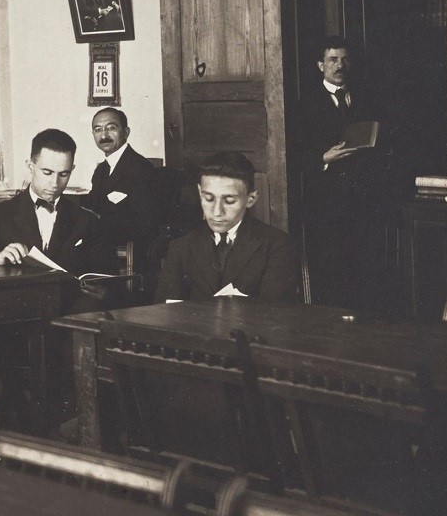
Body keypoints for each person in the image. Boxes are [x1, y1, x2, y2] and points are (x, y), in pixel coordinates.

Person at [0, 128, 105, 275]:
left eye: (63, 174)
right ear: (30, 166)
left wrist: (101, 291)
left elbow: (106, 273)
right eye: (47, 172)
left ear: (72, 170)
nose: (55, 183)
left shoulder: (86, 219)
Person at [300, 37, 389, 311]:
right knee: (332, 272)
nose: (339, 65)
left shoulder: (366, 97)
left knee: (365, 272)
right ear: (320, 65)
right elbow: (291, 151)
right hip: (326, 204)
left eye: (344, 59)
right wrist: (322, 158)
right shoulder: (305, 103)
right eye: (332, 60)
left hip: (363, 201)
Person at [155, 152, 301, 303]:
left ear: (251, 199)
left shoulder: (277, 246)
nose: (217, 212)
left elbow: (276, 312)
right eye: (208, 199)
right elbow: (163, 309)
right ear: (199, 192)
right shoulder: (181, 247)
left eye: (229, 201)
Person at [84, 108, 160, 256]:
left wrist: (100, 223)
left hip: (129, 250)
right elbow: (93, 206)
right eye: (98, 129)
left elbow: (145, 224)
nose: (104, 135)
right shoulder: (101, 170)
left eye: (111, 128)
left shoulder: (141, 168)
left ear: (126, 132)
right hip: (102, 245)